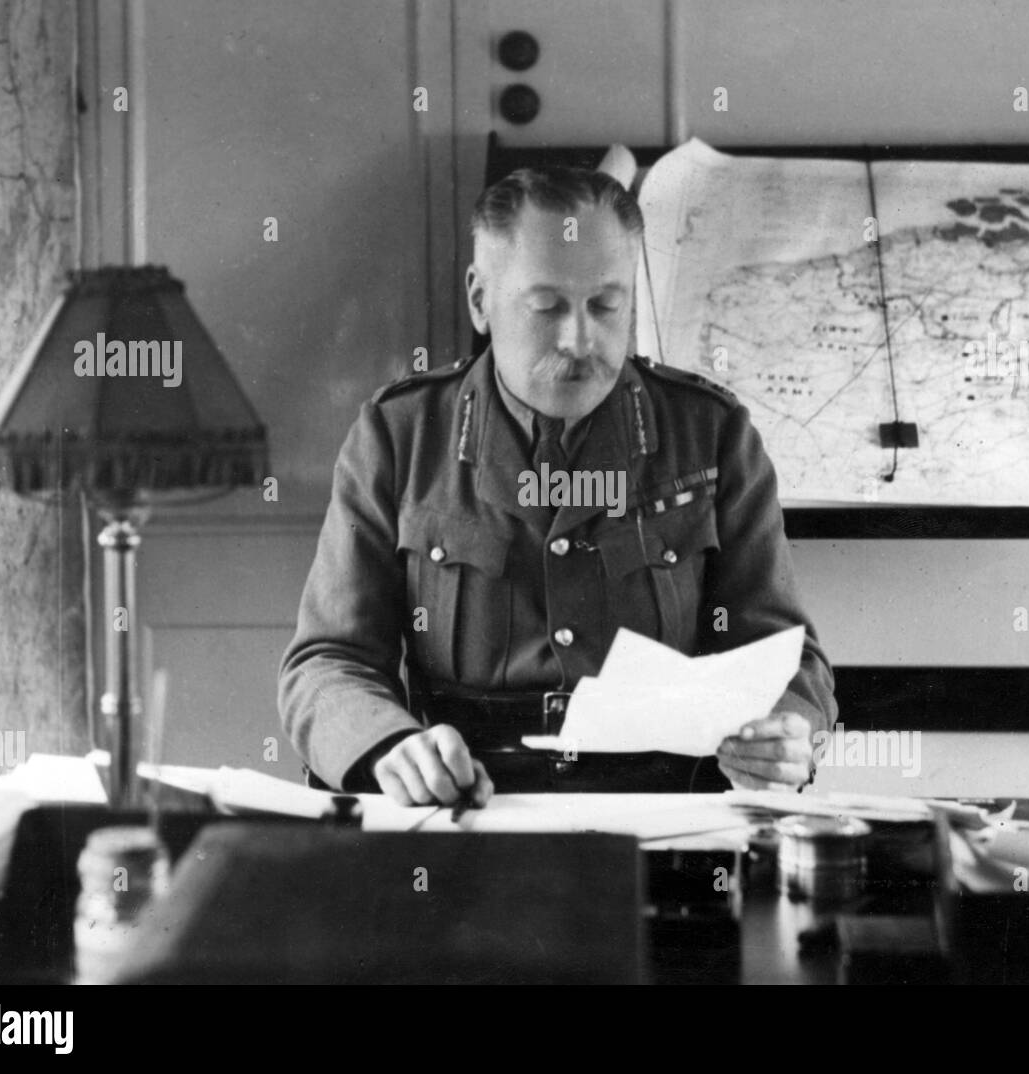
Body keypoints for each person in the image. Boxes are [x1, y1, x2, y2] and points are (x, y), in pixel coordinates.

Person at [279, 166, 838, 807]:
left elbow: (789, 659)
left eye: (607, 305)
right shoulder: (401, 438)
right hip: (467, 806)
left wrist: (790, 733)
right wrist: (388, 747)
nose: (580, 340)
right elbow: (326, 661)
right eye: (546, 307)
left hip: (667, 816)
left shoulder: (711, 436)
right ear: (479, 300)